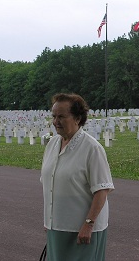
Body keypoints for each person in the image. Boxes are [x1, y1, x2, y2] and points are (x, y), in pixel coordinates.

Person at [41, 93, 114, 261]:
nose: (55, 121)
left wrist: (88, 224)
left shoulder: (92, 148)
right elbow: (50, 184)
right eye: (54, 116)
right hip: (57, 226)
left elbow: (102, 191)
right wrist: (49, 221)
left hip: (83, 230)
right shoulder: (52, 144)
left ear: (78, 118)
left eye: (61, 116)